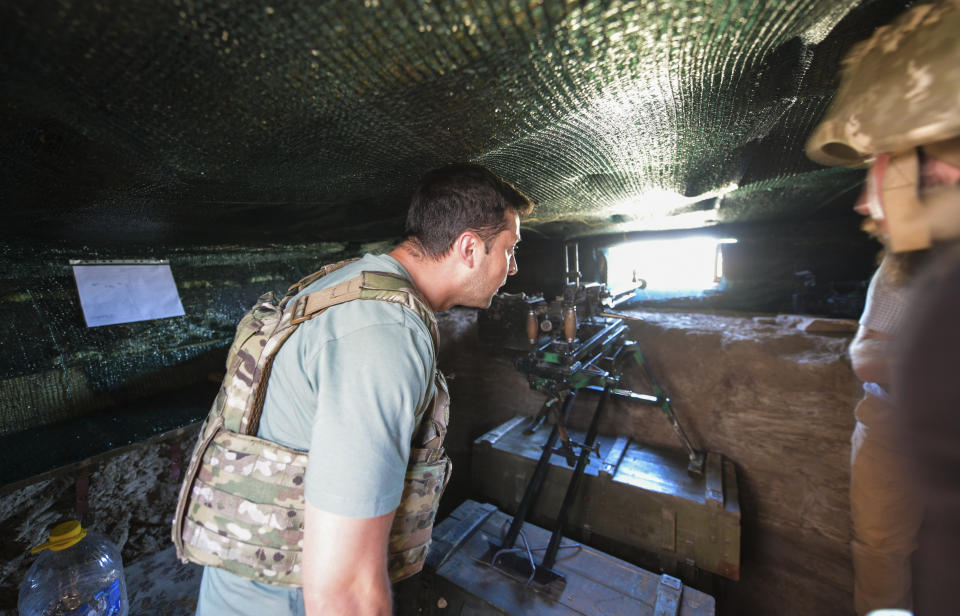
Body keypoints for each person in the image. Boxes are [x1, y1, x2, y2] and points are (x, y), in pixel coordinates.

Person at [192, 163, 533, 615]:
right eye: (509, 250)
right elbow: (343, 585)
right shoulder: (385, 335)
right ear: (470, 247)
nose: (513, 268)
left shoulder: (348, 283)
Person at [805, 1, 960, 614]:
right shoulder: (906, 268)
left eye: (887, 167)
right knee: (880, 549)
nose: (866, 204)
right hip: (889, 426)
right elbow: (868, 351)